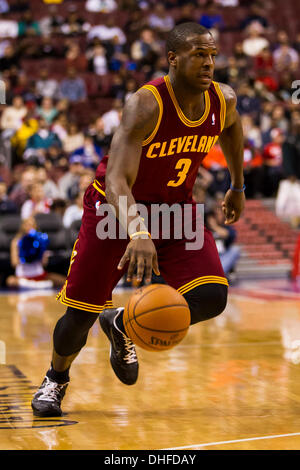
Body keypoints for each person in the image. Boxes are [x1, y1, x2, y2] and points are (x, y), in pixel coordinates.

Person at [31, 23, 245, 417]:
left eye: (212, 54)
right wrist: (138, 230)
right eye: (199, 54)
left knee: (213, 296)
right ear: (174, 59)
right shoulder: (146, 104)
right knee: (80, 314)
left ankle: (123, 325)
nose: (209, 62)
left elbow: (232, 130)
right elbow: (115, 180)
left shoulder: (223, 99)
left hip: (175, 210)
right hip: (115, 210)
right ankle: (55, 378)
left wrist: (237, 185)